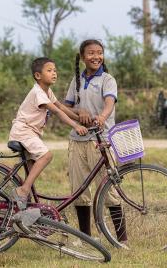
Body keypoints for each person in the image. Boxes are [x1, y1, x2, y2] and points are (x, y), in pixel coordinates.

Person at [64, 39, 128, 246]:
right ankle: (86, 238)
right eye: (91, 53)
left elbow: (109, 103)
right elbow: (66, 108)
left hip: (101, 141)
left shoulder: (108, 80)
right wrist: (79, 112)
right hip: (77, 141)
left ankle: (122, 240)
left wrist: (101, 117)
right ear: (82, 57)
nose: (96, 57)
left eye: (99, 53)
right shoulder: (76, 80)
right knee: (79, 191)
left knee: (108, 191)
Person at [9, 57, 88, 210]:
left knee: (31, 171)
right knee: (46, 155)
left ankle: (24, 205)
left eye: (55, 70)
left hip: (30, 133)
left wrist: (81, 119)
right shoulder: (38, 93)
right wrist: (76, 126)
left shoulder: (47, 91)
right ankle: (22, 191)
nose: (54, 73)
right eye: (50, 70)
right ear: (38, 76)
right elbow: (57, 111)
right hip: (23, 132)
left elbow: (63, 108)